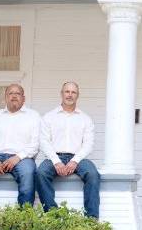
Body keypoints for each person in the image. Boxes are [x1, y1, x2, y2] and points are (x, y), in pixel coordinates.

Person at [36, 82, 101, 218]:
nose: (70, 95)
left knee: (93, 174)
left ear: (78, 96)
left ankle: (91, 219)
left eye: (73, 92)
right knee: (41, 173)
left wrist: (74, 161)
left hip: (78, 158)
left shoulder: (85, 119)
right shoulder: (49, 116)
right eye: (67, 92)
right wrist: (56, 161)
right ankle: (52, 215)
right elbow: (44, 142)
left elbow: (89, 144)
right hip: (54, 157)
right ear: (61, 94)